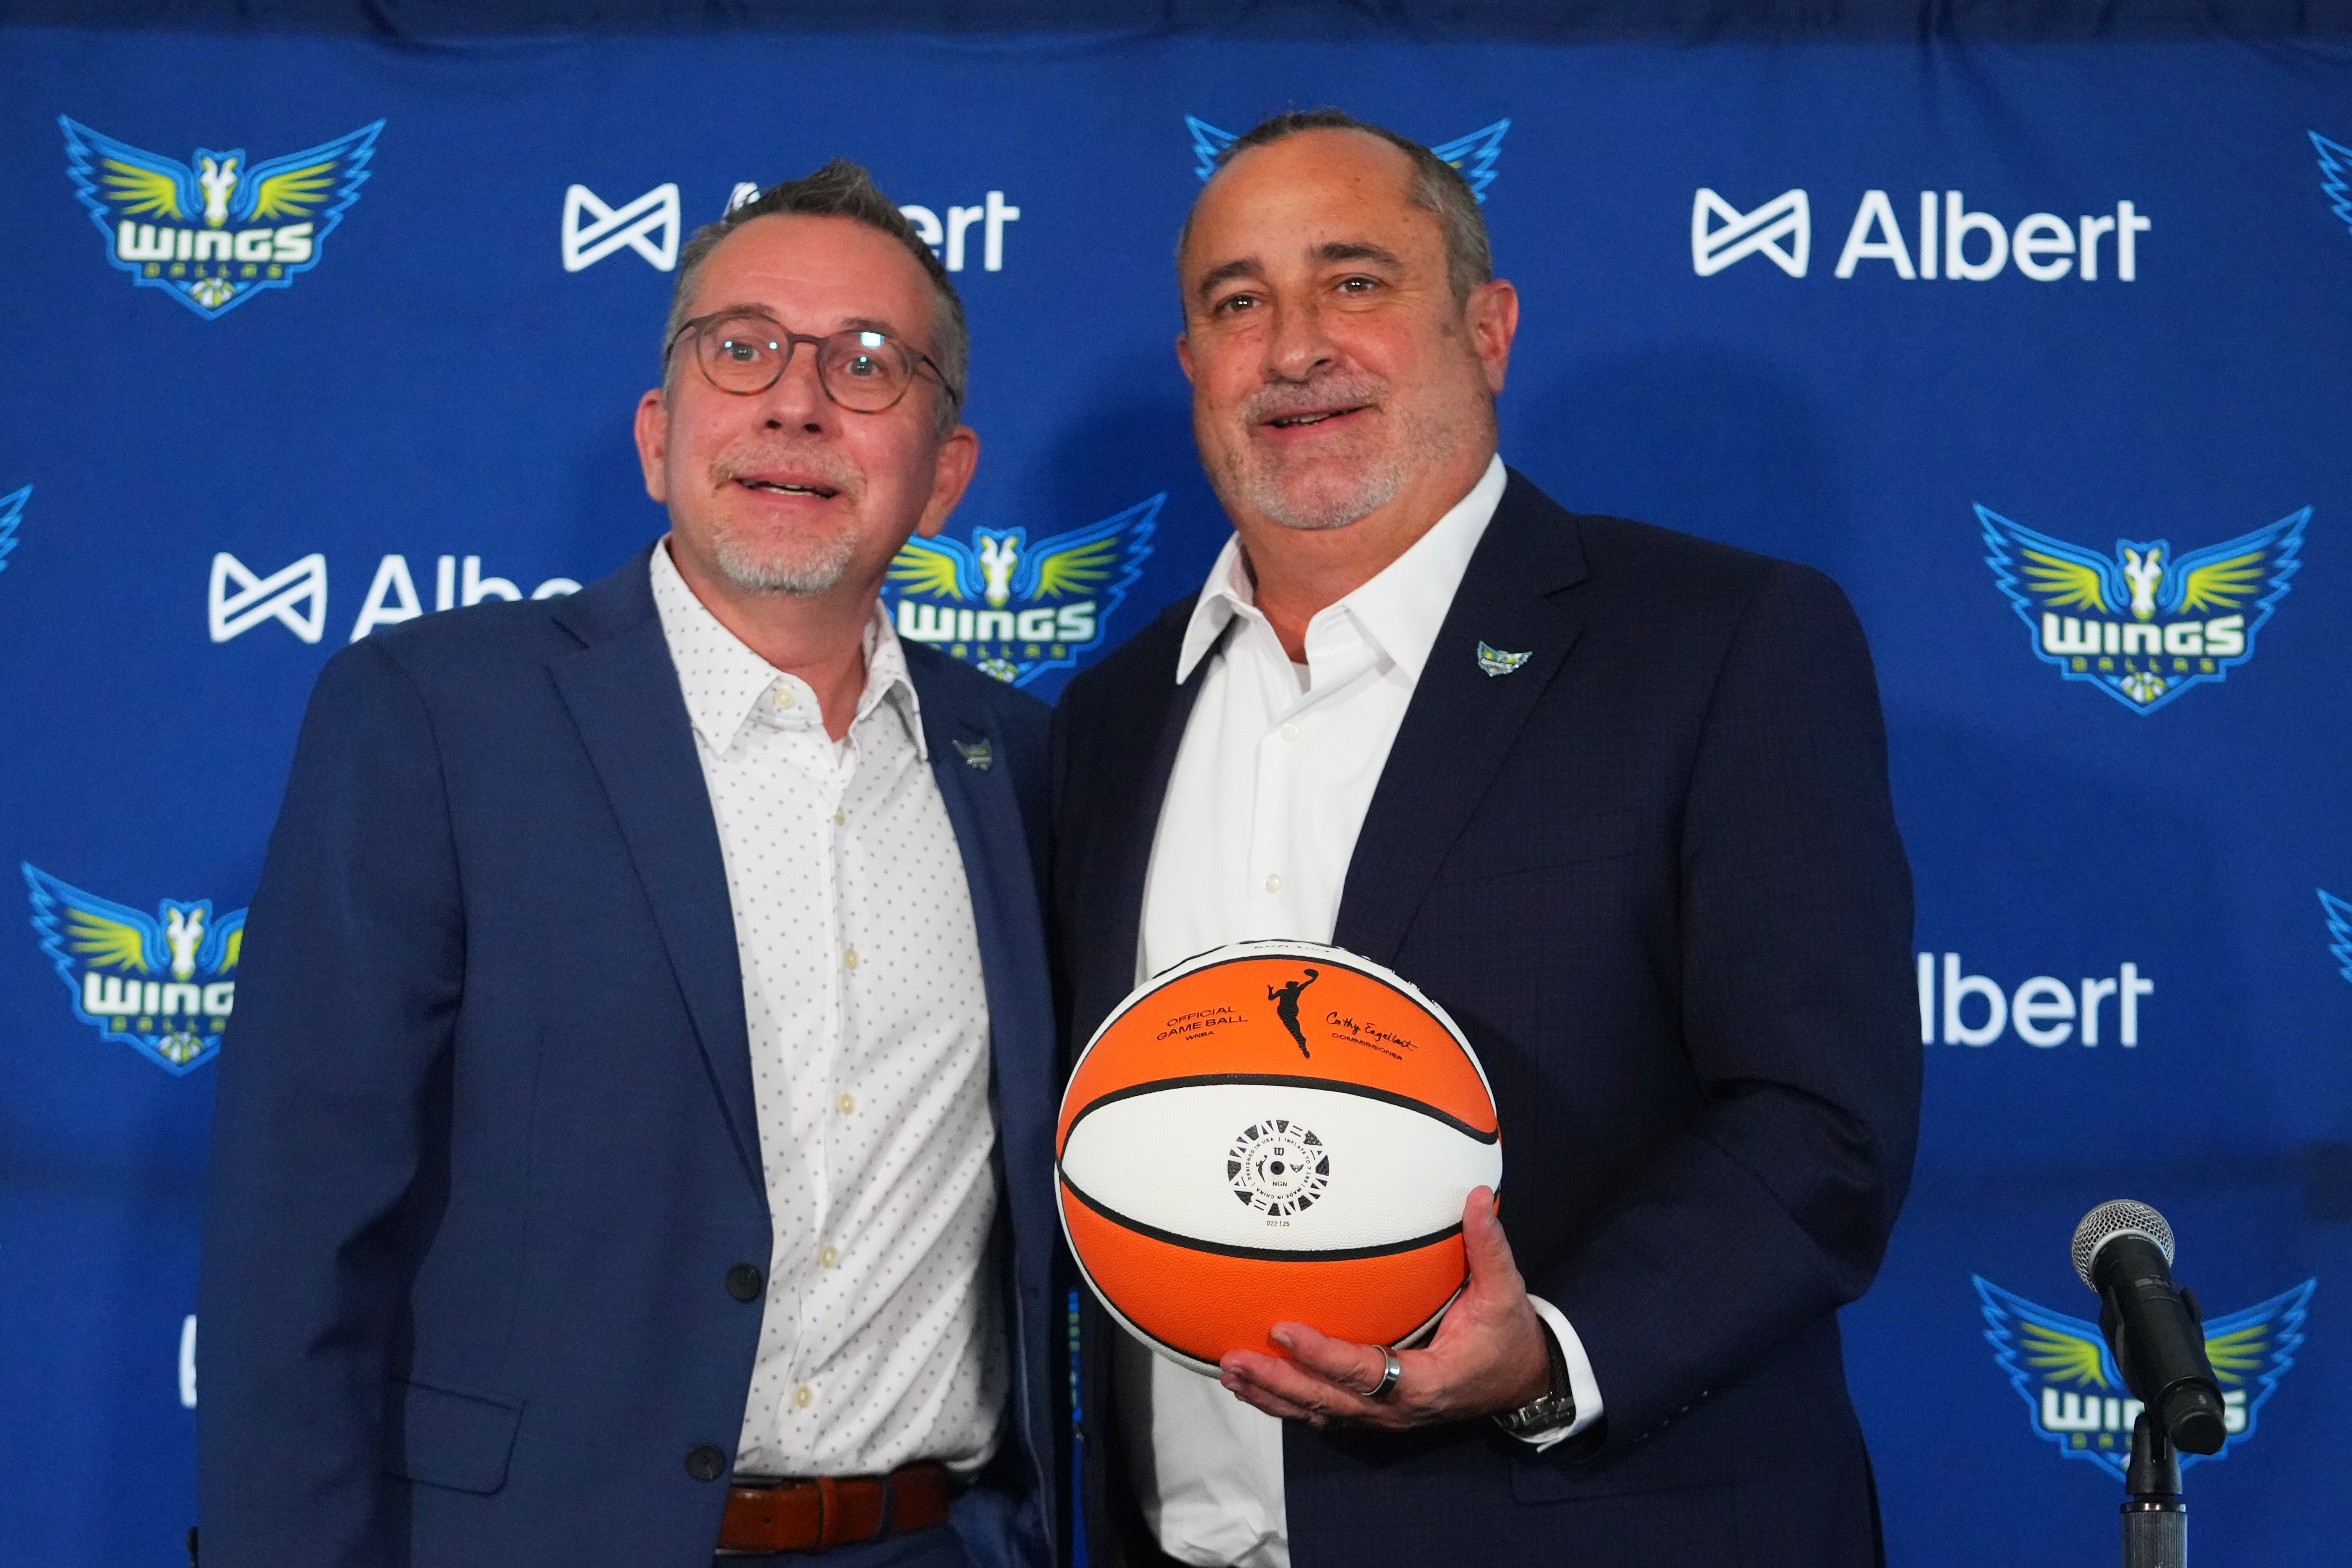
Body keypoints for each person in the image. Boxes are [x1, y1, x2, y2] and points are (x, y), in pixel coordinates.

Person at [1050, 111, 1920, 1567]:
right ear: (1194, 369)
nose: (1294, 345)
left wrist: (1550, 1355)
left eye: (1356, 281)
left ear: (1488, 327)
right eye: (1238, 302)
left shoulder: (1719, 641)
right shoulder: (1109, 716)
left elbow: (1819, 1118)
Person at [198, 162, 1060, 1568]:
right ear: (660, 434)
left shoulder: (1021, 762)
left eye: (865, 364)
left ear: (946, 469)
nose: (796, 401)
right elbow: (292, 1243)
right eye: (742, 348)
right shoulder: (432, 716)